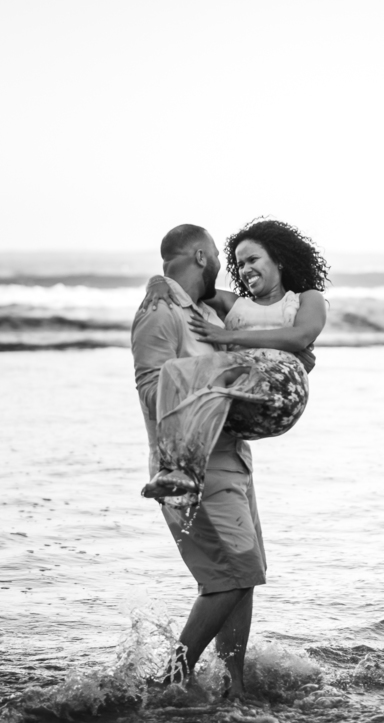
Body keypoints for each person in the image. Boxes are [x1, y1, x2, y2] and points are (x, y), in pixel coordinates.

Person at [132, 223, 269, 698]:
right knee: (231, 575)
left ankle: (234, 686)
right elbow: (151, 391)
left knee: (243, 577)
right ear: (199, 255)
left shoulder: (205, 311)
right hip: (190, 467)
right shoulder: (159, 312)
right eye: (215, 255)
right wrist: (223, 372)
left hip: (232, 458)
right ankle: (169, 679)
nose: (221, 266)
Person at [139, 218, 329, 503]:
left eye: (253, 259)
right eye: (240, 264)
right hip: (238, 403)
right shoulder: (233, 304)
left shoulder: (305, 299)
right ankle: (182, 472)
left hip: (282, 389)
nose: (245, 270)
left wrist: (230, 337)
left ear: (279, 260)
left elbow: (299, 337)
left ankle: (183, 470)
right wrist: (156, 283)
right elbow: (185, 286)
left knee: (213, 369)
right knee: (183, 377)